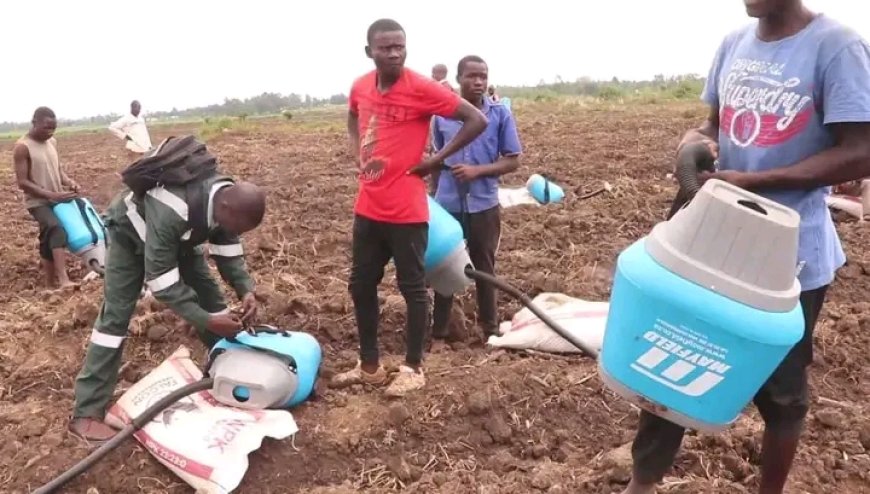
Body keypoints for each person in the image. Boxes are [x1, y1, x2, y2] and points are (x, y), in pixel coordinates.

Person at [622, 2, 870, 494]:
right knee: (670, 367)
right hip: (712, 240)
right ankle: (641, 485)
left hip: (789, 255)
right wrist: (692, 143)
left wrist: (757, 181)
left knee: (782, 391)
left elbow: (861, 149)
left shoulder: (837, 46)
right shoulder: (735, 43)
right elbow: (715, 125)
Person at [332, 18, 487, 397]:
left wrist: (437, 161)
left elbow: (475, 119)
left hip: (408, 212)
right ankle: (369, 365)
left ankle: (413, 368)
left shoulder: (421, 88)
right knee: (361, 285)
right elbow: (353, 116)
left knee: (413, 289)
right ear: (370, 52)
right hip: (368, 207)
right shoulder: (360, 86)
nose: (394, 53)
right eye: (386, 47)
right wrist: (356, 152)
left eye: (400, 46)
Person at [69, 175, 266, 442]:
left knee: (210, 297)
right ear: (226, 209)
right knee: (115, 320)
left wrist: (246, 290)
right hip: (131, 238)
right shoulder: (175, 209)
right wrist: (204, 320)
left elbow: (228, 250)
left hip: (179, 238)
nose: (238, 233)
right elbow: (162, 283)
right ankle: (87, 412)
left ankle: (228, 370)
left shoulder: (225, 203)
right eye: (238, 227)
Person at [429, 55, 521, 341]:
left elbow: (513, 160)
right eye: (472, 76)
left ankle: (489, 329)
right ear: (459, 79)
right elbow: (437, 158)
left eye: (483, 75)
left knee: (485, 266)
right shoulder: (441, 117)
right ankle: (440, 331)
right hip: (449, 206)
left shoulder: (500, 115)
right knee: (445, 268)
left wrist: (476, 171)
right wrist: (434, 199)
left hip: (484, 204)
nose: (479, 81)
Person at [13, 107, 80, 288]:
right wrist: (51, 195)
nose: (50, 132)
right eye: (46, 128)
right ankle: (63, 279)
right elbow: (23, 182)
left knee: (48, 236)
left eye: (53, 128)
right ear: (34, 123)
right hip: (37, 202)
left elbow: (58, 171)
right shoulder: (23, 147)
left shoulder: (52, 143)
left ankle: (49, 284)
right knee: (56, 228)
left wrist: (70, 182)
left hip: (56, 199)